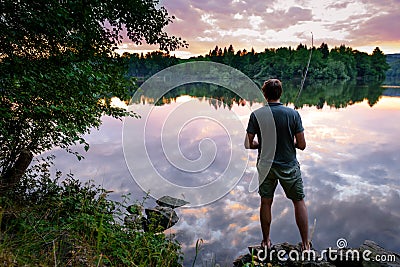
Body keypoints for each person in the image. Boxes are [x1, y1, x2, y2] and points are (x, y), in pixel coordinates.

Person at [245, 79, 310, 251]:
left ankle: (266, 241)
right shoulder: (293, 114)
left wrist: (260, 144)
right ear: (280, 93)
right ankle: (305, 244)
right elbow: (302, 145)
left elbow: (247, 144)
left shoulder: (256, 115)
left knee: (266, 202)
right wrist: (291, 141)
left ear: (264, 95)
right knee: (298, 201)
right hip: (289, 166)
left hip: (266, 166)